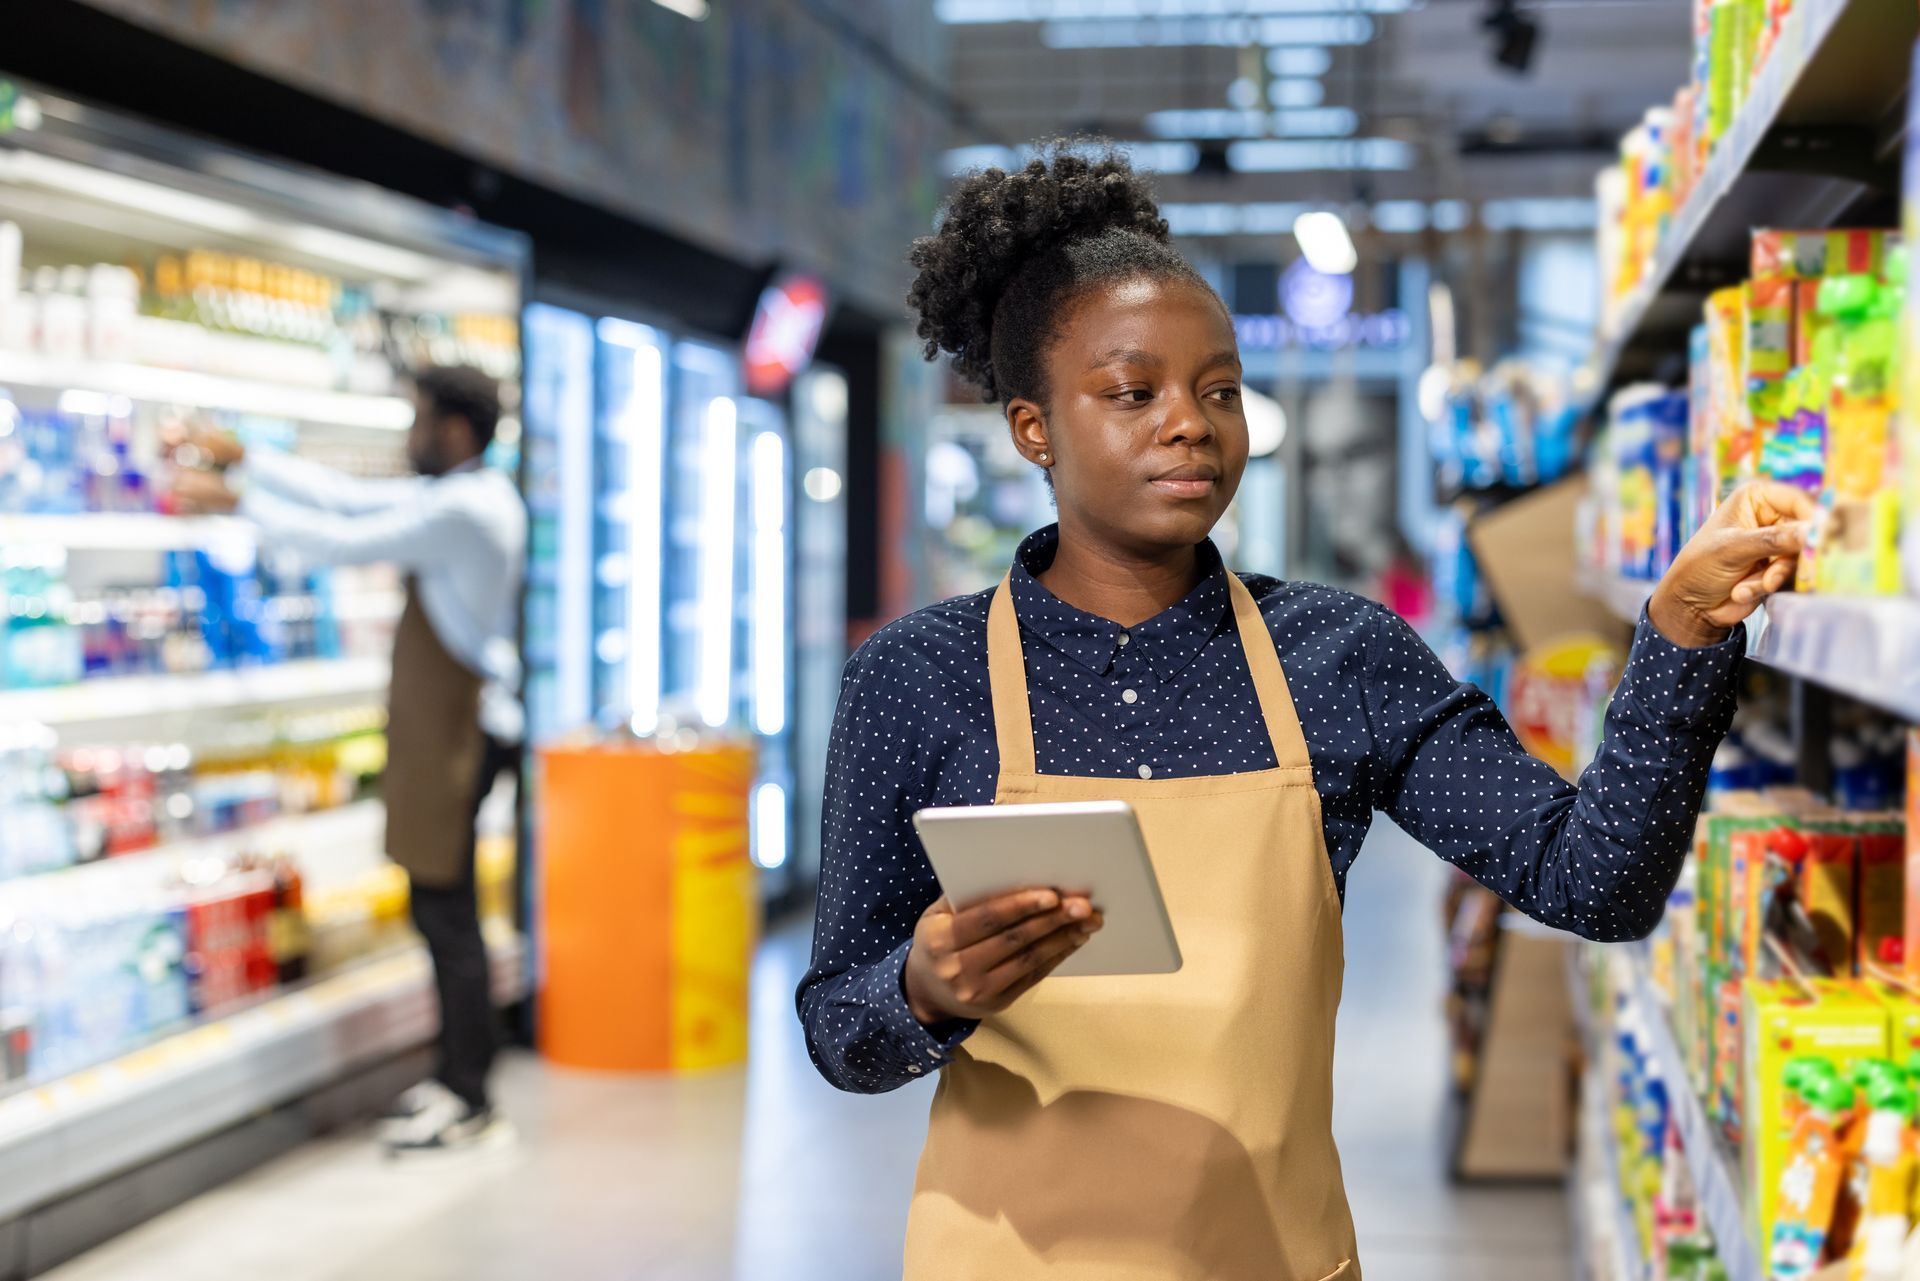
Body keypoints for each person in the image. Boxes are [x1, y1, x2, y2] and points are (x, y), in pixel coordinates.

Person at [795, 146, 1810, 1280]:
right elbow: (842, 1029)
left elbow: (1598, 881)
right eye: (1133, 393)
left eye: (1219, 390)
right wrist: (922, 990)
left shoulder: (1341, 657)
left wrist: (1677, 640)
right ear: (1033, 428)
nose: (1189, 423)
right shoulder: (918, 678)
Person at [172, 365, 525, 1155]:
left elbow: (349, 535)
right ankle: (457, 1079)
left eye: (422, 420)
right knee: (440, 907)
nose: (412, 437)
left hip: (461, 733)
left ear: (457, 431)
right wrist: (248, 459)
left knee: (447, 912)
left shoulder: (467, 507)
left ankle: (469, 1095)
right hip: (457, 728)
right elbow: (352, 499)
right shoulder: (465, 497)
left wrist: (235, 499)